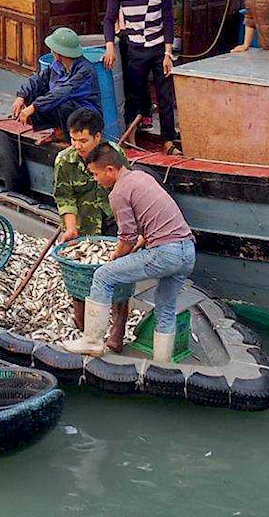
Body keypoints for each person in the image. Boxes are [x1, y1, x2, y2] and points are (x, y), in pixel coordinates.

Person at [62, 144, 196, 363]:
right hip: (187, 251)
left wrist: (115, 257)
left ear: (110, 170)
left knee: (103, 275)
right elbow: (149, 226)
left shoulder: (118, 193)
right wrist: (133, 249)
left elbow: (127, 238)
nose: (95, 179)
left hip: (165, 253)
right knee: (165, 307)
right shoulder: (142, 177)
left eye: (95, 174)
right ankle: (163, 364)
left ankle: (92, 341)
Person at [54, 107, 130, 349]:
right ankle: (84, 327)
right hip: (83, 226)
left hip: (112, 222)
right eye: (73, 139)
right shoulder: (64, 161)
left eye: (83, 140)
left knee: (120, 274)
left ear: (97, 137)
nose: (78, 145)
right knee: (80, 277)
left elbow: (126, 189)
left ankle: (117, 330)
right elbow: (64, 197)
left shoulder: (114, 154)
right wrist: (70, 228)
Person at [103, 0, 179, 154]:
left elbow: (168, 21)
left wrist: (168, 54)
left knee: (165, 95)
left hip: (159, 48)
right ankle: (131, 138)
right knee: (134, 94)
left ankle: (168, 140)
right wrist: (110, 46)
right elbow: (108, 20)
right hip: (134, 48)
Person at [11, 27, 100, 141]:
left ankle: (69, 138)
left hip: (87, 117)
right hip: (66, 109)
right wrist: (21, 96)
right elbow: (37, 80)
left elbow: (63, 93)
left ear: (58, 54)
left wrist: (34, 107)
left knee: (62, 105)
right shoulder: (57, 65)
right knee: (32, 95)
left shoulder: (85, 71)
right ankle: (58, 131)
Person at [108, 0, 158, 129]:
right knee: (130, 78)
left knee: (142, 78)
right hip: (124, 32)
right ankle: (133, 120)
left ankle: (146, 112)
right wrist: (117, 28)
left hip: (146, 35)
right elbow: (114, 3)